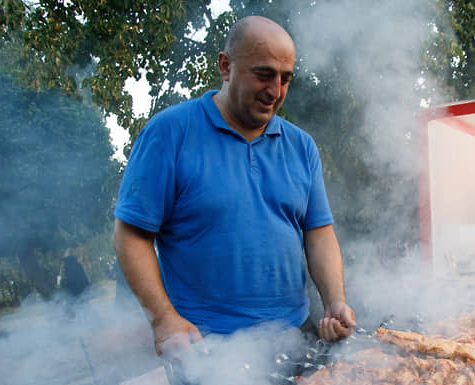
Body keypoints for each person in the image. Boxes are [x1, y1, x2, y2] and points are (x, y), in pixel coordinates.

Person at [113, 16, 356, 360]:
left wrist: (334, 301)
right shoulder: (170, 133)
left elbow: (318, 233)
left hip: (294, 335)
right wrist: (164, 319)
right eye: (263, 74)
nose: (275, 91)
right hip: (206, 345)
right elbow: (131, 236)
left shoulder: (301, 146)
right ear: (225, 67)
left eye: (285, 79)